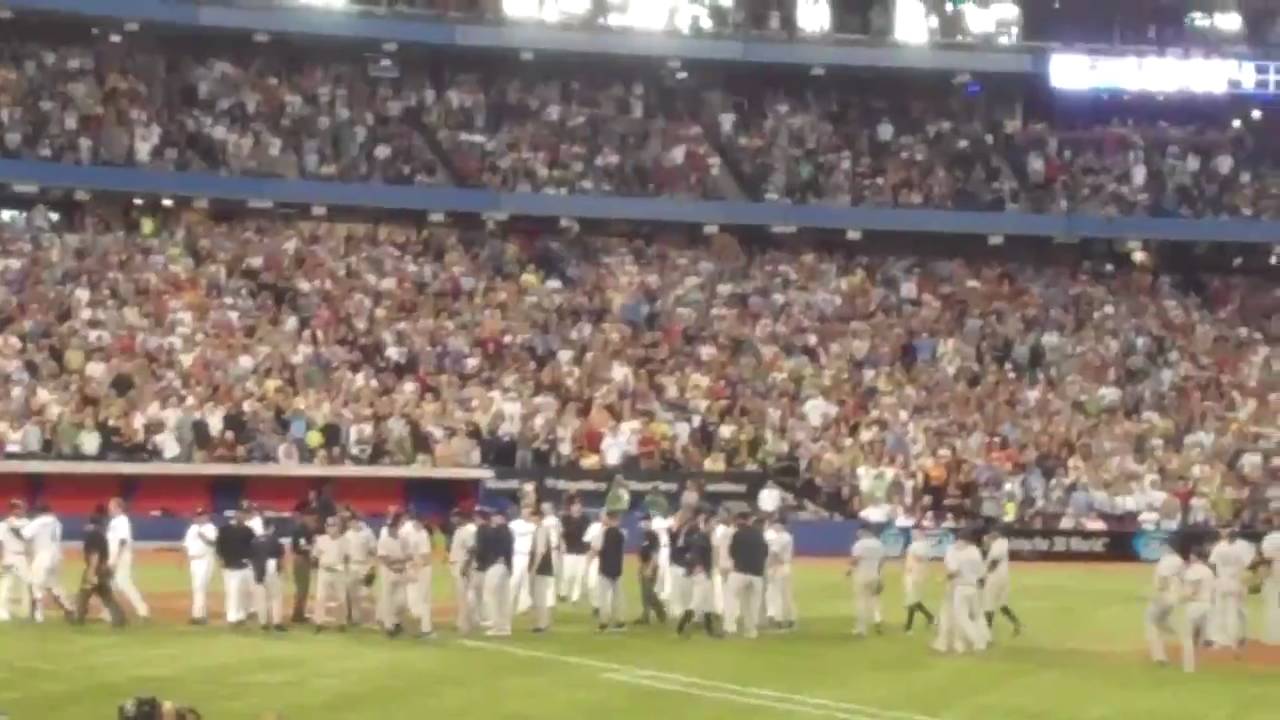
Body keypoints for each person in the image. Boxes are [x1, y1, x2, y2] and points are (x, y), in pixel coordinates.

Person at [934, 530, 988, 654]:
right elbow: (982, 572)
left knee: (952, 615)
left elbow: (954, 570)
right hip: (973, 586)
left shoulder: (953, 550)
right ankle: (961, 642)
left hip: (957, 586)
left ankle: (947, 642)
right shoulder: (974, 551)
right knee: (973, 615)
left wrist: (942, 579)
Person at [73, 508, 125, 627]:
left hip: (95, 569)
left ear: (91, 524)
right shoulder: (101, 535)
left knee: (83, 595)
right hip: (103, 569)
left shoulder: (93, 536)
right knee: (107, 597)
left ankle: (78, 619)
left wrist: (91, 572)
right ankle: (119, 619)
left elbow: (94, 554)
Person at [22, 503, 73, 623]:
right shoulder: (57, 522)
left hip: (43, 556)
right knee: (53, 585)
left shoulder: (39, 521)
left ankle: (38, 615)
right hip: (56, 556)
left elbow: (24, 534)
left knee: (35, 584)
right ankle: (68, 608)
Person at [674, 509, 720, 637]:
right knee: (698, 601)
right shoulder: (702, 537)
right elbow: (696, 552)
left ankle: (710, 630)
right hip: (702, 573)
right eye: (714, 522)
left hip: (705, 572)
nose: (715, 525)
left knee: (708, 602)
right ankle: (681, 627)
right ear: (707, 523)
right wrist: (698, 566)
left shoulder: (704, 536)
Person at [1208, 527, 1253, 652]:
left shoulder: (1219, 546)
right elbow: (1248, 564)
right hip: (1235, 582)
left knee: (1219, 612)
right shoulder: (1241, 548)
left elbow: (1212, 563)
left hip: (1221, 581)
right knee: (1233, 613)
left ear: (1227, 537)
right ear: (1236, 537)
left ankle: (1218, 642)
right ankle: (1233, 642)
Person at [106, 498, 150, 621]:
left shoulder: (122, 520)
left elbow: (123, 540)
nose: (109, 509)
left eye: (111, 507)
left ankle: (143, 610)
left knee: (124, 583)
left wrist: (115, 559)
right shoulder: (114, 521)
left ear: (119, 508)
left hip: (122, 557)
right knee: (110, 585)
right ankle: (109, 612)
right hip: (114, 556)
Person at [726, 512, 767, 639]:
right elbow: (765, 552)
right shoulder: (759, 535)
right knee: (753, 604)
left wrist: (739, 561)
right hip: (757, 573)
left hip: (740, 571)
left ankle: (730, 626)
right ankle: (751, 630)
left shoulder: (737, 534)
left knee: (731, 599)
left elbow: (732, 552)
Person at [1145, 540, 1186, 666]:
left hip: (1165, 595)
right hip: (1175, 596)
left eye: (1165, 545)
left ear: (1169, 547)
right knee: (1162, 622)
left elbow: (1163, 578)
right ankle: (1184, 637)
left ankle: (1160, 657)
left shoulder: (1167, 559)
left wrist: (1159, 594)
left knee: (1151, 622)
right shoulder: (1180, 560)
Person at [216, 507, 255, 627]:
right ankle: (232, 617)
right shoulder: (224, 530)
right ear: (235, 515)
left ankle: (241, 615)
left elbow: (252, 547)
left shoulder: (249, 531)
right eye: (239, 513)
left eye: (243, 514)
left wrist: (250, 561)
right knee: (232, 591)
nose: (241, 516)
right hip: (229, 565)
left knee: (243, 591)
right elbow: (219, 546)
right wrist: (221, 559)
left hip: (245, 565)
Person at [477, 510, 514, 637]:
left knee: (491, 596)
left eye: (495, 516)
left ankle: (496, 625)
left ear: (501, 517)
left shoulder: (500, 530)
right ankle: (504, 626)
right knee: (503, 598)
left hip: (496, 565)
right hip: (505, 567)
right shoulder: (507, 530)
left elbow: (489, 547)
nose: (493, 519)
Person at [376, 512, 412, 638]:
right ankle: (389, 626)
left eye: (394, 527)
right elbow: (384, 559)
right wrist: (397, 562)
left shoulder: (403, 539)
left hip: (401, 572)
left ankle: (395, 620)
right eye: (390, 527)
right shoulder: (384, 541)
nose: (393, 529)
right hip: (388, 572)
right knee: (387, 599)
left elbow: (410, 555)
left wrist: (397, 560)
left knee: (402, 602)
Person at [1181, 545, 1216, 673]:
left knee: (1188, 637)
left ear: (1194, 556)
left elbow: (1192, 590)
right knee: (1200, 637)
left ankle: (1189, 668)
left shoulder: (1193, 570)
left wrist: (1181, 597)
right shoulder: (1209, 571)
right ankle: (1199, 664)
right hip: (1208, 605)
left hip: (1195, 605)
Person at [312, 516, 349, 633]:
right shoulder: (321, 539)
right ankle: (319, 622)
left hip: (339, 572)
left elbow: (347, 557)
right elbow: (315, 556)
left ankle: (341, 622)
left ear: (339, 527)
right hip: (324, 572)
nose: (330, 528)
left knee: (341, 598)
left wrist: (342, 568)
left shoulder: (345, 541)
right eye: (328, 526)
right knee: (320, 597)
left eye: (333, 525)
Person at [983, 526, 1023, 637]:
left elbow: (994, 561)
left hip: (995, 577)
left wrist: (984, 576)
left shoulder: (999, 544)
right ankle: (1017, 624)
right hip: (1003, 576)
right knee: (1002, 604)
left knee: (989, 604)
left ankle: (987, 634)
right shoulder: (1001, 543)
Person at [591, 510, 626, 633]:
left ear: (609, 519)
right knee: (618, 597)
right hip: (617, 569)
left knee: (604, 597)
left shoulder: (604, 533)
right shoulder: (621, 534)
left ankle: (604, 622)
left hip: (605, 568)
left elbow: (598, 549)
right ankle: (620, 621)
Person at [182, 508, 218, 625]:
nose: (198, 518)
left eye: (201, 516)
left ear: (207, 516)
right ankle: (198, 614)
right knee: (196, 588)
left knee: (200, 587)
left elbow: (213, 543)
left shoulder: (211, 528)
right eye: (197, 516)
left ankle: (199, 616)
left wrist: (201, 535)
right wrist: (185, 558)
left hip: (205, 561)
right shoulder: (192, 528)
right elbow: (186, 544)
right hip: (194, 561)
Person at [250, 521, 288, 632]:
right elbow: (280, 557)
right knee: (276, 597)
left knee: (261, 599)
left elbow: (251, 557)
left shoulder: (254, 540)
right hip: (271, 570)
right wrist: (284, 572)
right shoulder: (274, 539)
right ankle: (277, 623)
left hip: (257, 571)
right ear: (271, 528)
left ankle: (263, 623)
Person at [849, 527, 885, 637]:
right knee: (874, 599)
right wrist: (879, 574)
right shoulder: (879, 544)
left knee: (861, 602)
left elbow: (855, 560)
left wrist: (849, 569)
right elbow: (882, 560)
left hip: (861, 575)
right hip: (874, 574)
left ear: (864, 532)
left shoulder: (859, 544)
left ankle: (861, 629)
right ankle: (877, 619)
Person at [448, 509, 479, 634]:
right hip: (458, 565)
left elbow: (472, 549)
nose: (453, 519)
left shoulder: (466, 531)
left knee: (463, 596)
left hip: (463, 566)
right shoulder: (458, 530)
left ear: (462, 517)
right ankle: (465, 622)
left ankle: (465, 625)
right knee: (462, 596)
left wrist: (465, 567)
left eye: (455, 517)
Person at [343, 515, 378, 626]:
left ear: (358, 521)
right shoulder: (347, 534)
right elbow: (345, 553)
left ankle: (377, 616)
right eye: (350, 523)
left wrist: (372, 567)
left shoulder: (368, 534)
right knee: (352, 593)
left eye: (353, 522)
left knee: (366, 593)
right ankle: (355, 618)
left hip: (364, 566)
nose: (351, 524)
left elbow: (374, 551)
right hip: (352, 566)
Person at [0, 500, 31, 621]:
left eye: (19, 508)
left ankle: (23, 611)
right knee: (6, 585)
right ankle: (2, 611)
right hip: (11, 555)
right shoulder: (4, 525)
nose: (18, 510)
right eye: (15, 508)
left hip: (21, 557)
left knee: (24, 585)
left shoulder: (27, 523)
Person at [405, 514, 435, 638]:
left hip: (422, 570)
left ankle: (426, 629)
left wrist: (414, 571)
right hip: (412, 568)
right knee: (413, 599)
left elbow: (426, 558)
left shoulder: (422, 534)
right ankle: (418, 627)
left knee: (422, 599)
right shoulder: (408, 530)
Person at [765, 517, 796, 631]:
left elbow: (774, 553)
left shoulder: (780, 538)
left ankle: (779, 619)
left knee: (777, 594)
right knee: (787, 595)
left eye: (775, 525)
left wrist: (769, 566)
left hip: (779, 567)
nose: (773, 527)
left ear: (780, 525)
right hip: (786, 566)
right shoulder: (788, 536)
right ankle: (791, 618)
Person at [635, 514, 667, 625]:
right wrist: (639, 569)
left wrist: (650, 568)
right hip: (644, 565)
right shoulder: (644, 535)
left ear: (649, 522)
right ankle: (645, 616)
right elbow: (641, 554)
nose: (643, 524)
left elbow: (655, 554)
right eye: (642, 522)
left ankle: (661, 611)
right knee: (644, 593)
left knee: (649, 592)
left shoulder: (653, 536)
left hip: (651, 566)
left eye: (645, 521)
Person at [529, 507, 557, 633]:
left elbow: (540, 551)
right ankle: (542, 622)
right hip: (545, 567)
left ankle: (542, 623)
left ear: (537, 517)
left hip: (541, 567)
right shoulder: (541, 529)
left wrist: (534, 568)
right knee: (541, 596)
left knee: (540, 597)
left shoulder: (541, 530)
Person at [903, 529, 936, 633]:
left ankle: (909, 627)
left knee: (912, 600)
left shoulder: (916, 546)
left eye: (915, 533)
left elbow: (919, 557)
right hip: (919, 574)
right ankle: (930, 617)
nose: (913, 535)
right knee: (913, 599)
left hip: (914, 574)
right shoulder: (925, 545)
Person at [558, 499, 590, 604]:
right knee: (567, 574)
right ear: (570, 507)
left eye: (578, 505)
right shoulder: (565, 519)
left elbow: (588, 536)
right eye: (574, 505)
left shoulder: (586, 519)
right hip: (569, 550)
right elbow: (561, 533)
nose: (576, 508)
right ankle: (563, 593)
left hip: (582, 551)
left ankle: (575, 597)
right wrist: (562, 544)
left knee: (579, 576)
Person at [508, 506, 538, 615]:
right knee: (515, 579)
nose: (526, 514)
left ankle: (523, 605)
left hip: (528, 555)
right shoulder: (514, 524)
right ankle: (508, 603)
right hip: (517, 555)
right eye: (524, 512)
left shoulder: (534, 526)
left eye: (529, 512)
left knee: (526, 581)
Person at [289, 510, 318, 624]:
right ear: (306, 517)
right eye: (312, 518)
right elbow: (301, 546)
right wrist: (313, 548)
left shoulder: (305, 529)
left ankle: (300, 614)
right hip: (301, 560)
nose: (314, 521)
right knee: (302, 589)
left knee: (304, 589)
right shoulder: (301, 529)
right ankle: (297, 616)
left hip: (303, 560)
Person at [538, 501, 562, 610]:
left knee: (550, 575)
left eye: (545, 508)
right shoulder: (550, 520)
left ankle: (549, 600)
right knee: (548, 575)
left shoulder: (551, 521)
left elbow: (558, 534)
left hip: (551, 549)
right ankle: (548, 600)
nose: (543, 510)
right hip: (550, 549)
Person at [711, 509, 733, 619]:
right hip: (731, 563)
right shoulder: (732, 530)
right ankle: (728, 610)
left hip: (721, 562)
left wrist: (715, 564)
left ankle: (720, 610)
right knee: (729, 588)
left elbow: (715, 548)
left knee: (719, 588)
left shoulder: (718, 530)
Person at [1261, 516, 1280, 646]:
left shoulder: (1269, 539)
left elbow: (1266, 558)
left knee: (1273, 604)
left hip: (1274, 569)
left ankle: (1274, 637)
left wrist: (1263, 574)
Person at [583, 512, 604, 617]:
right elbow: (586, 541)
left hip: (606, 558)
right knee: (592, 583)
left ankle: (602, 606)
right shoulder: (594, 527)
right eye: (603, 514)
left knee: (605, 584)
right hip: (594, 557)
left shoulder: (612, 528)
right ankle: (596, 605)